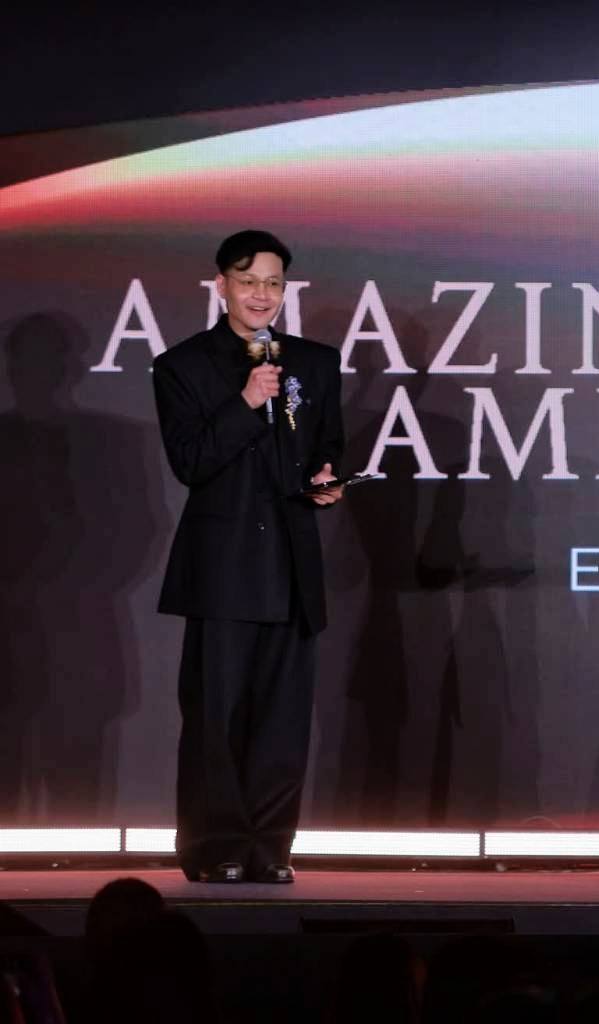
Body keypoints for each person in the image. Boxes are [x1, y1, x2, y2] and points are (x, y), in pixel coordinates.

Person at [152, 229, 345, 883]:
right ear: (221, 287)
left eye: (273, 283)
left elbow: (328, 446)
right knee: (216, 716)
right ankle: (217, 849)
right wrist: (246, 402)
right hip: (223, 568)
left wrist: (327, 479)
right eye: (248, 282)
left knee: (283, 720)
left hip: (292, 566)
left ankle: (270, 848)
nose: (261, 295)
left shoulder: (315, 363)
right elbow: (191, 462)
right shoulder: (183, 366)